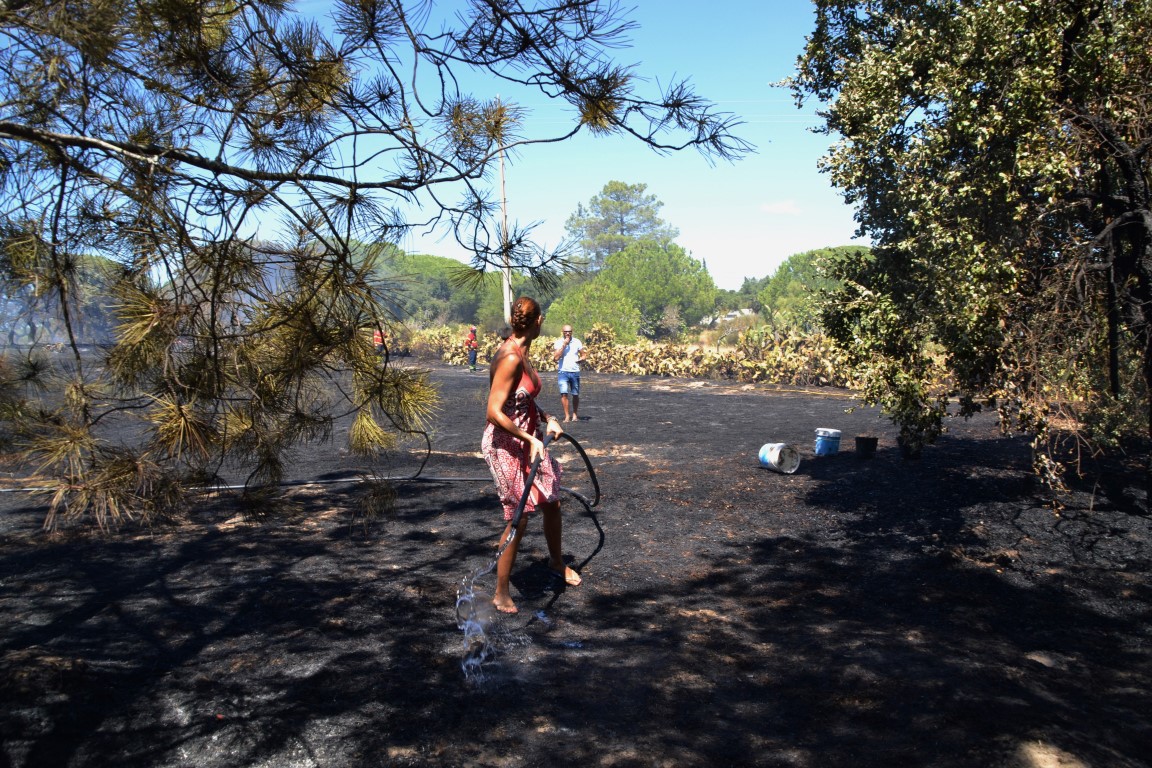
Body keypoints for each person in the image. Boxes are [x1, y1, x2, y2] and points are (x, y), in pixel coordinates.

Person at [482, 297, 582, 614]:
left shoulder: (522, 353)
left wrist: (548, 418)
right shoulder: (510, 357)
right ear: (537, 321)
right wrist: (529, 438)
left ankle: (555, 563)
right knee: (519, 516)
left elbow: (522, 400)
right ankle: (500, 592)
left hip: (528, 442)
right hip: (504, 444)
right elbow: (494, 412)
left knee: (551, 501)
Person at [552, 324, 587, 422]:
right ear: (562, 332)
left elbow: (584, 355)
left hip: (574, 371)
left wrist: (582, 359)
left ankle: (575, 415)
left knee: (575, 394)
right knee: (564, 394)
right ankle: (567, 416)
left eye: (569, 331)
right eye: (566, 332)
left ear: (572, 332)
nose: (568, 333)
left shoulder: (577, 342)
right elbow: (555, 358)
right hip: (563, 371)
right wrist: (564, 345)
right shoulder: (558, 342)